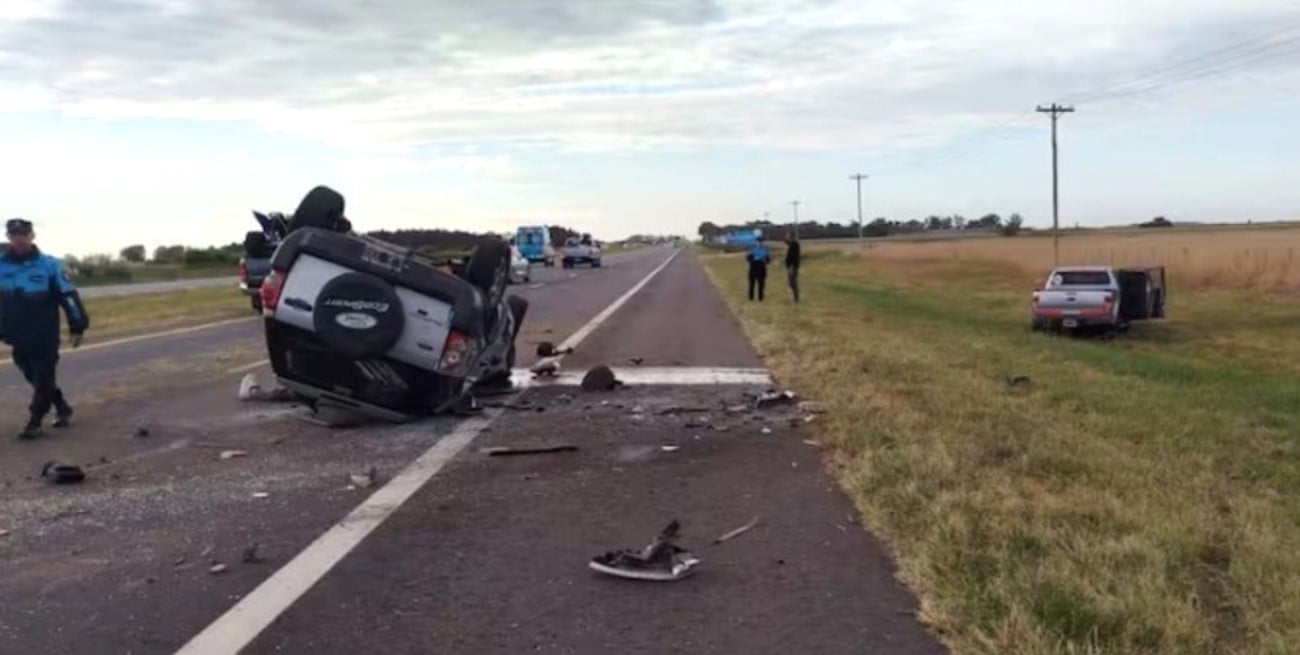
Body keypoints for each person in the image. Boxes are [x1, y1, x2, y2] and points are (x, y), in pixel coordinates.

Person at [0, 218, 89, 440]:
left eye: (24, 235)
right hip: (16, 334)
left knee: (44, 374)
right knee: (36, 377)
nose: (20, 239)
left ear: (32, 236)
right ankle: (62, 407)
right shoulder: (1, 266)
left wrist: (77, 325)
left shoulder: (49, 265)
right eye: (14, 235)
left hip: (45, 333)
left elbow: (68, 297)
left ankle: (35, 421)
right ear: (9, 237)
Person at [745, 237, 771, 301]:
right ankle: (751, 297)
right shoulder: (752, 249)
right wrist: (754, 258)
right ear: (756, 242)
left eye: (761, 242)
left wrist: (766, 260)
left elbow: (768, 260)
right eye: (758, 242)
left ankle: (760, 298)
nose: (759, 243)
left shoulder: (765, 249)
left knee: (761, 283)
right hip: (754, 266)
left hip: (761, 267)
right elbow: (748, 258)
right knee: (752, 283)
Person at [784, 231, 801, 303]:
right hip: (791, 266)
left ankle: (796, 297)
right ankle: (795, 296)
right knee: (791, 282)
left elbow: (794, 257)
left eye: (788, 236)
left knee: (792, 282)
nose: (787, 237)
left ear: (792, 237)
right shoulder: (792, 244)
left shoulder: (795, 244)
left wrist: (792, 266)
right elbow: (786, 242)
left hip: (792, 266)